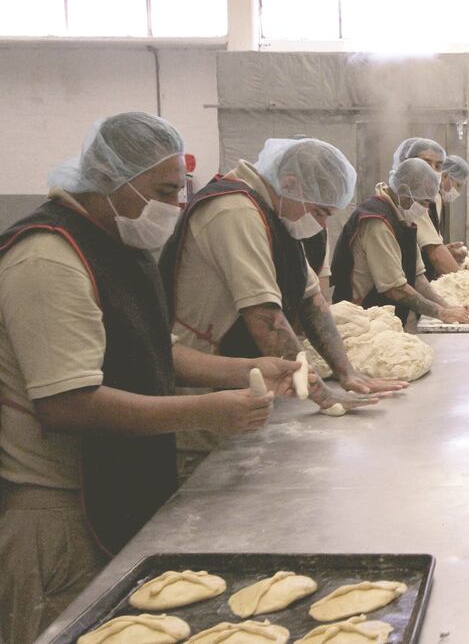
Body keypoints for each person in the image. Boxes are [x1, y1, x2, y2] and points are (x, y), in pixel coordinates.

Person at [0, 112, 300, 641]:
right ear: (112, 180)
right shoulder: (49, 258)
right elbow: (68, 404)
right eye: (163, 190)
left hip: (118, 483)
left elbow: (155, 351)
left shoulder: (116, 244)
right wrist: (210, 410)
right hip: (61, 510)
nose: (175, 207)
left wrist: (245, 371)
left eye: (179, 191)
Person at [160, 138, 403, 474]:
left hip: (244, 390)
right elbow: (265, 317)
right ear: (290, 184)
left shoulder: (273, 213)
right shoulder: (234, 210)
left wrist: (346, 372)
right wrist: (321, 394)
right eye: (319, 212)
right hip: (204, 398)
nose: (320, 225)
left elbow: (311, 301)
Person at [330, 159, 469, 326]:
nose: (425, 209)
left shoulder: (403, 216)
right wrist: (441, 313)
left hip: (383, 318)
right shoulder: (377, 222)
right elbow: (394, 288)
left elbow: (418, 277)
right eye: (423, 202)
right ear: (404, 191)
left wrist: (450, 308)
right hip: (360, 318)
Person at [395, 138, 465, 280]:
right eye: (425, 163)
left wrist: (445, 251)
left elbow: (428, 247)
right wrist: (467, 284)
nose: (431, 171)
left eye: (438, 166)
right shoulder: (409, 201)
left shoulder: (427, 201)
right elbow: (436, 255)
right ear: (406, 164)